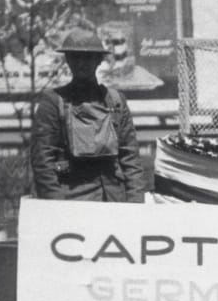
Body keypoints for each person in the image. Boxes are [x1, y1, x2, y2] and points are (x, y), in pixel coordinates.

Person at [30, 27, 146, 201]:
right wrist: (55, 207)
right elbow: (43, 161)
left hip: (113, 199)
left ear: (99, 59)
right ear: (68, 60)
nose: (82, 63)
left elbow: (130, 158)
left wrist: (135, 202)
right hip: (72, 200)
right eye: (76, 57)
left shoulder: (115, 101)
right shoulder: (53, 102)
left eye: (88, 57)